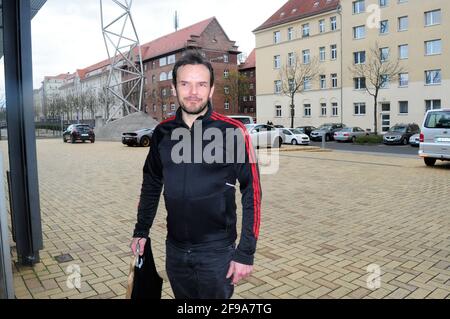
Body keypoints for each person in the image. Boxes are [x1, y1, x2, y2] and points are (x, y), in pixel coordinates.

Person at [131, 50, 262, 299]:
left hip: (217, 253)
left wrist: (245, 252)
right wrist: (141, 230)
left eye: (201, 84)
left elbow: (252, 192)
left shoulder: (233, 131)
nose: (193, 92)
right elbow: (151, 183)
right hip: (176, 250)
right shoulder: (162, 132)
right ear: (174, 88)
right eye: (185, 84)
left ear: (211, 89)